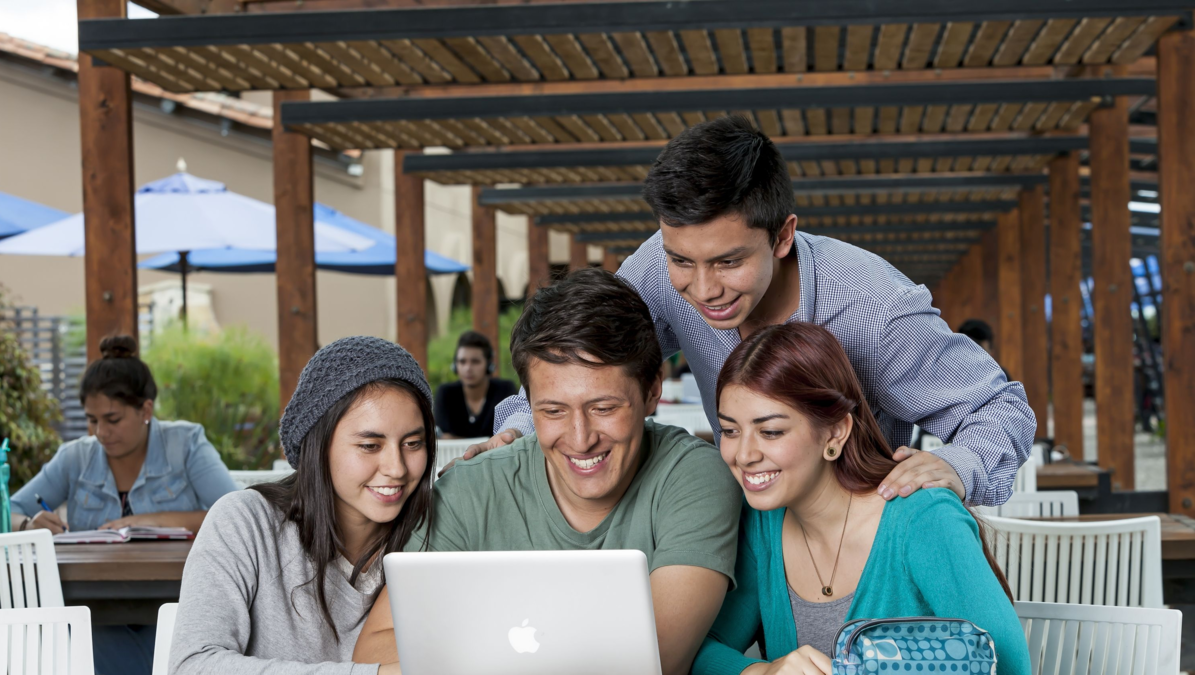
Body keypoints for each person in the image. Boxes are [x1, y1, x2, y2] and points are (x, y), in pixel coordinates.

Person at [474, 116, 1034, 508]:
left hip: (857, 536)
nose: (702, 288)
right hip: (744, 525)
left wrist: (957, 467)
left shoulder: (873, 309)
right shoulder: (657, 268)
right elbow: (576, 359)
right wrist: (520, 427)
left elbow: (999, 408)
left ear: (782, 236)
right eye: (681, 260)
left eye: (728, 261)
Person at [353, 269, 741, 675]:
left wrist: (465, 650)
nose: (580, 438)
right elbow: (373, 652)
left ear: (652, 391)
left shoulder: (694, 478)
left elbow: (654, 662)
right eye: (553, 411)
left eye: (603, 408)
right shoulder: (469, 488)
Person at [693, 323, 1030, 675]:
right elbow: (699, 650)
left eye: (771, 431)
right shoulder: (762, 524)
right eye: (730, 431)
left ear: (835, 432)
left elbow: (1010, 665)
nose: (743, 455)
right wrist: (759, 672)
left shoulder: (923, 518)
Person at [168, 337, 434, 675]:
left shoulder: (438, 532)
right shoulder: (244, 522)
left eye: (413, 443)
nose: (396, 468)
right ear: (318, 444)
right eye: (370, 445)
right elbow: (192, 666)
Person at [9, 335, 239, 675]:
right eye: (92, 420)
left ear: (145, 410)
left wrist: (153, 520)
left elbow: (235, 513)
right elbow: (7, 511)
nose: (100, 432)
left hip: (178, 604)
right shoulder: (75, 457)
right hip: (92, 612)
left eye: (112, 419)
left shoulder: (186, 443)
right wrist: (28, 524)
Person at [433, 330, 517, 438]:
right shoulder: (446, 393)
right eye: (462, 362)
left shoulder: (505, 390)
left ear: (489, 365)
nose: (468, 368)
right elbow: (444, 437)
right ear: (455, 366)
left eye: (475, 362)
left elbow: (511, 433)